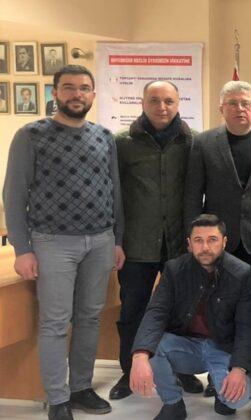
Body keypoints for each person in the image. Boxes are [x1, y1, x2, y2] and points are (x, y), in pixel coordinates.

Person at [3, 64, 125, 420]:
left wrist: (117, 240)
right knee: (55, 323)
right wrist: (23, 249)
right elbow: (13, 194)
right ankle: (57, 399)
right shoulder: (31, 135)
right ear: (55, 93)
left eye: (84, 88)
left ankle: (81, 388)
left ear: (93, 95)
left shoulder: (104, 136)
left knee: (89, 318)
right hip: (52, 242)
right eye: (69, 87)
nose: (77, 94)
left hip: (100, 240)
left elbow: (115, 191)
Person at [110, 80, 205, 401]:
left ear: (178, 104)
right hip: (137, 244)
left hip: (180, 244)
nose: (162, 107)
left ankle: (182, 370)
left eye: (168, 101)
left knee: (183, 311)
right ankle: (129, 372)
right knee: (133, 310)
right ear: (142, 103)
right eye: (154, 100)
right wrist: (116, 240)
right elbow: (114, 194)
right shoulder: (122, 143)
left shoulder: (192, 142)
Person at [129, 214, 251, 420]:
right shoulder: (174, 269)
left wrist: (239, 369)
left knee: (236, 400)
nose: (205, 247)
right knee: (151, 347)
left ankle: (220, 390)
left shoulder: (241, 273)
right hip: (185, 345)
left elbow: (246, 326)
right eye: (198, 240)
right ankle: (173, 404)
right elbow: (156, 312)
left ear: (224, 242)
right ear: (189, 244)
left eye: (212, 240)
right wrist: (139, 356)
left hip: (222, 348)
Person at [184, 80, 251, 282]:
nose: (240, 108)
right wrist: (194, 235)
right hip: (217, 238)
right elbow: (193, 194)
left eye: (246, 103)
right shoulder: (203, 143)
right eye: (232, 103)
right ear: (221, 109)